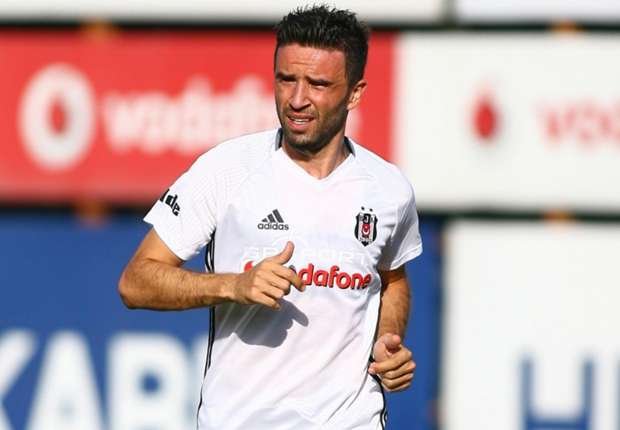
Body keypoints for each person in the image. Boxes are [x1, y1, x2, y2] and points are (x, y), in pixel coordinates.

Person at [119, 5, 422, 429]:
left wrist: (388, 340)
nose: (297, 99)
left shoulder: (389, 188)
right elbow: (135, 282)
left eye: (318, 84)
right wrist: (233, 285)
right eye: (286, 79)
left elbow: (392, 279)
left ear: (355, 93)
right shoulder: (227, 169)